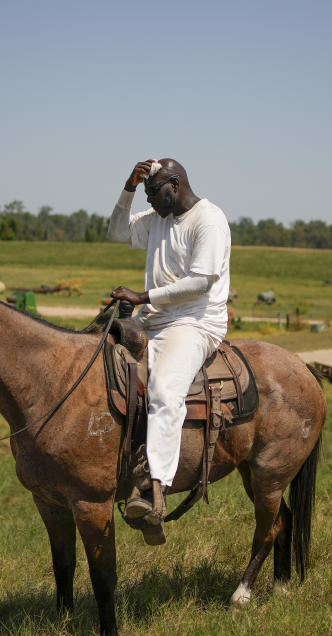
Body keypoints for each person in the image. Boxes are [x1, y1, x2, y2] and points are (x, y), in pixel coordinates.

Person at [107, 158, 231, 531]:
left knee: (163, 390)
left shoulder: (208, 220)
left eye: (153, 193)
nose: (150, 201)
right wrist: (128, 187)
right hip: (156, 317)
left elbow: (201, 282)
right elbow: (115, 233)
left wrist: (142, 296)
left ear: (174, 185)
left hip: (195, 321)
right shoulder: (158, 217)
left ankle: (154, 488)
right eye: (144, 194)